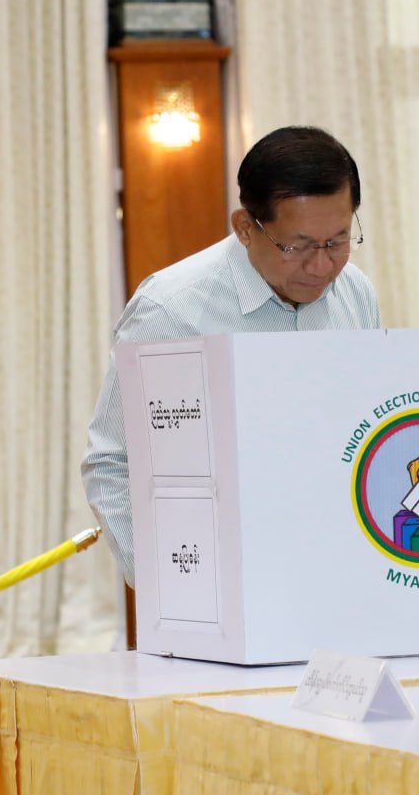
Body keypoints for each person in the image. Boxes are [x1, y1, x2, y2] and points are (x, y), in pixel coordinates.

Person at [82, 126, 380, 584]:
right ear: (245, 227)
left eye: (337, 242)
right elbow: (114, 462)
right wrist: (167, 584)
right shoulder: (172, 311)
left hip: (337, 566)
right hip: (222, 574)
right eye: (297, 246)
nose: (321, 265)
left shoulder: (354, 293)